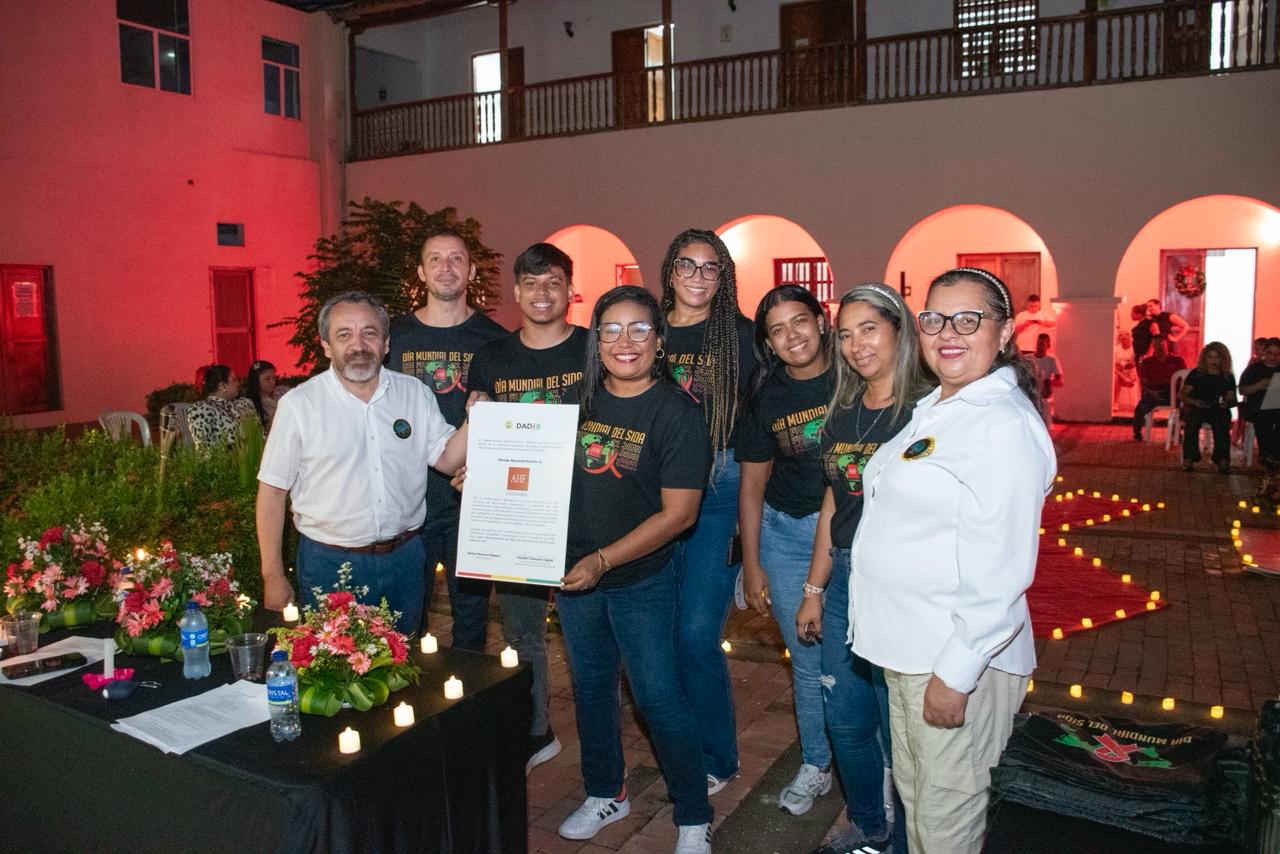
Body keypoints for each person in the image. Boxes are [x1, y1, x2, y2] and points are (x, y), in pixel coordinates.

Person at [851, 267, 1055, 853]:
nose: (948, 333)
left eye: (969, 320)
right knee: (921, 804)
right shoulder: (942, 406)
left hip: (952, 658)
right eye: (935, 319)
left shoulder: (1003, 425)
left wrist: (957, 674)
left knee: (946, 821)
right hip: (909, 650)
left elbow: (1002, 571)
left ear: (1005, 331)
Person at [549, 285, 715, 854]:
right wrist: (491, 476)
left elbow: (680, 514)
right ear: (596, 340)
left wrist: (603, 561)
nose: (626, 341)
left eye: (640, 328)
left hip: (640, 580)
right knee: (592, 690)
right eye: (612, 330)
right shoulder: (574, 402)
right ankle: (606, 792)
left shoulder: (678, 413)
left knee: (658, 697)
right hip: (575, 580)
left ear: (659, 340)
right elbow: (535, 469)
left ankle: (693, 814)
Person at [796, 282, 934, 854]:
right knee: (846, 720)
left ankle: (905, 841)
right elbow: (834, 503)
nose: (857, 345)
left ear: (900, 330)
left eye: (870, 329)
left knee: (898, 725)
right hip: (848, 577)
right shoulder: (842, 413)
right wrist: (814, 588)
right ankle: (869, 826)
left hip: (902, 584)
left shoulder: (928, 412)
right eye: (846, 334)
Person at [255, 291, 471, 637]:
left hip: (405, 561)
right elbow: (272, 493)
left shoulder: (414, 394)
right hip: (329, 565)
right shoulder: (299, 405)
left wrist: (475, 417)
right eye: (345, 334)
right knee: (335, 666)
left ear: (386, 343)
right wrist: (273, 575)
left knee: (404, 662)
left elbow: (447, 459)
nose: (358, 345)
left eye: (369, 333)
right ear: (326, 346)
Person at [465, 242, 587, 772]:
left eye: (553, 282)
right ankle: (536, 730)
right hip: (518, 517)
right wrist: (475, 468)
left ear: (570, 291)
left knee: (590, 637)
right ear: (516, 291)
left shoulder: (594, 349)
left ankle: (602, 738)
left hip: (586, 513)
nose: (542, 293)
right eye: (532, 283)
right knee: (521, 633)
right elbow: (482, 433)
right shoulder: (492, 358)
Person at [660, 228, 755, 794]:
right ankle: (679, 741)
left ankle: (717, 755)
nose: (698, 276)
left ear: (724, 277)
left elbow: (765, 419)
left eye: (710, 267)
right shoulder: (648, 328)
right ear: (670, 271)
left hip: (719, 488)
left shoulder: (741, 336)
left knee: (696, 634)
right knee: (659, 631)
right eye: (687, 265)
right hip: (651, 490)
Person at [736, 285, 835, 816]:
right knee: (806, 659)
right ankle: (817, 762)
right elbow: (752, 486)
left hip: (849, 537)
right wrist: (753, 564)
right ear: (768, 344)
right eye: (777, 330)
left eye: (799, 320)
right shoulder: (766, 396)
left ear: (821, 320)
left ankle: (879, 765)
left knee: (859, 657)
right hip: (786, 534)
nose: (792, 335)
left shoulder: (855, 377)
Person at [387, 229, 506, 642]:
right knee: (404, 623)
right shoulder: (393, 338)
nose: (446, 267)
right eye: (435, 259)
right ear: (421, 272)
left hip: (471, 501)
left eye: (456, 258)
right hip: (407, 502)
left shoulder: (496, 340)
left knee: (472, 624)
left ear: (470, 271)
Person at [1179, 341, 1237, 474]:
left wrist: (1227, 403)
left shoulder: (1227, 377)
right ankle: (1189, 458)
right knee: (1192, 421)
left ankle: (1222, 459)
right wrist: (1194, 402)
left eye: (1217, 357)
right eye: (1210, 357)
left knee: (1222, 421)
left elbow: (1232, 399)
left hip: (1217, 408)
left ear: (1223, 359)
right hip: (1196, 406)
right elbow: (1182, 394)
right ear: (1205, 358)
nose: (1213, 361)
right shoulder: (1196, 374)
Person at [188, 364, 257, 448]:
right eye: (234, 380)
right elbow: (204, 447)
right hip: (224, 455)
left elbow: (258, 433)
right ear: (222, 386)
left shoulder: (244, 403)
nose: (238, 384)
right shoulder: (202, 408)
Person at [1132, 336, 1187, 441]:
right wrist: (1151, 392)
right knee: (1140, 408)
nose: (1159, 348)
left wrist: (1180, 392)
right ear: (1153, 346)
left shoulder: (1177, 361)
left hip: (1174, 393)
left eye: (1161, 345)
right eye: (1156, 345)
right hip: (1154, 393)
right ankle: (1137, 432)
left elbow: (1185, 379)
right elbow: (1143, 381)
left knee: (1185, 407)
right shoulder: (1147, 362)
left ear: (1167, 345)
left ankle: (1176, 431)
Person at [1239, 337, 1280, 471]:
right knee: (1264, 419)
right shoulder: (1254, 369)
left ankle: (1272, 455)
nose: (1273, 358)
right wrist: (1260, 385)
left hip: (1277, 406)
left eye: (1277, 354)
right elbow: (1242, 390)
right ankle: (1267, 454)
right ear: (1264, 352)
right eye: (1270, 353)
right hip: (1257, 407)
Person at [245, 359, 287, 430]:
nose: (272, 382)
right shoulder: (252, 404)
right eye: (267, 379)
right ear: (256, 381)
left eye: (274, 378)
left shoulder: (283, 391)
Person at [1032, 332, 1063, 424]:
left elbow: (1059, 381)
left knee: (1044, 424)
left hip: (1044, 399)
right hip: (1031, 397)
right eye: (1038, 343)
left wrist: (1049, 382)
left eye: (1042, 344)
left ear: (1048, 346)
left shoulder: (1051, 361)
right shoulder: (1027, 359)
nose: (1039, 346)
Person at [1114, 330, 1139, 414]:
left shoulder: (1135, 348)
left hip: (1131, 372)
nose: (1124, 337)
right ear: (1119, 338)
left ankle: (1137, 404)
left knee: (1136, 373)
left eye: (1126, 335)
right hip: (1119, 372)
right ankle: (1115, 403)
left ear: (1130, 337)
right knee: (1115, 377)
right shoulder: (1116, 349)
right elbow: (1113, 363)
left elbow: (1135, 362)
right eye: (1121, 335)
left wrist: (1125, 365)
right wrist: (1121, 365)